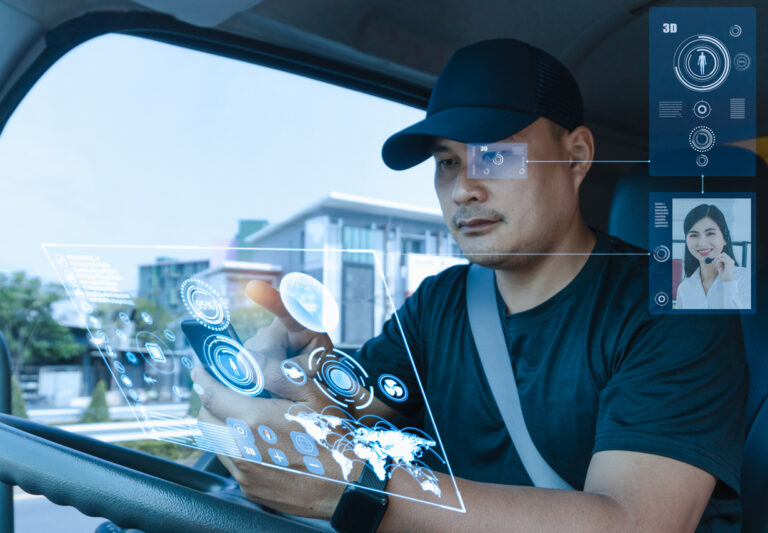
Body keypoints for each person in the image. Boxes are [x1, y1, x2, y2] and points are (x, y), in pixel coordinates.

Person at [192, 39, 746, 532]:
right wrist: (291, 372)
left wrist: (361, 493)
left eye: (495, 155)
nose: (462, 189)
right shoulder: (442, 302)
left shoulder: (678, 304)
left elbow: (634, 522)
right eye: (447, 162)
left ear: (576, 155)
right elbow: (362, 411)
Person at [675, 203, 751, 310]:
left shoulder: (746, 278)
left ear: (724, 239)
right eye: (694, 235)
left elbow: (744, 324)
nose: (701, 243)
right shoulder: (684, 289)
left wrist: (729, 283)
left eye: (710, 233)